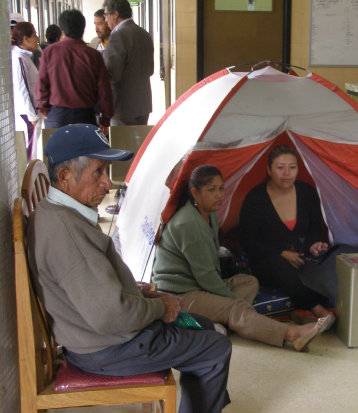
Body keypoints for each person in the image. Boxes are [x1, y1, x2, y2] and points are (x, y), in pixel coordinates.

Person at [27, 124, 231, 413]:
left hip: (99, 338)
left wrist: (143, 296)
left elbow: (95, 292)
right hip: (109, 348)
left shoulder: (59, 215)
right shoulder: (66, 231)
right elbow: (112, 316)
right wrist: (160, 308)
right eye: (98, 172)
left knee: (206, 327)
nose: (107, 184)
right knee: (216, 348)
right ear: (64, 177)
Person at [152, 165, 333, 351]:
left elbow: (210, 271)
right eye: (211, 190)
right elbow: (206, 277)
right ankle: (292, 335)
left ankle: (220, 324)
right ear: (195, 193)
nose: (219, 195)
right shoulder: (188, 224)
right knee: (235, 308)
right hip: (178, 295)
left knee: (248, 282)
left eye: (221, 188)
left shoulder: (209, 213)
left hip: (197, 284)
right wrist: (233, 302)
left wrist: (227, 297)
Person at [239, 145, 336, 325]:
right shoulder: (256, 198)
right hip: (267, 258)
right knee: (282, 267)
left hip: (302, 255)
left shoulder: (307, 193)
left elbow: (315, 230)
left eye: (292, 167)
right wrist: (281, 253)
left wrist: (314, 245)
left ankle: (301, 310)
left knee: (333, 257)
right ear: (269, 170)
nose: (287, 173)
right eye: (280, 167)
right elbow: (248, 241)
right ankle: (317, 308)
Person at [36, 9, 113, 134]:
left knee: (58, 153)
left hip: (57, 117)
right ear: (83, 29)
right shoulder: (93, 55)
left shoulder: (49, 52)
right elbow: (104, 90)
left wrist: (45, 110)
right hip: (85, 117)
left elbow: (41, 86)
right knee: (86, 152)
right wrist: (105, 119)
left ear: (62, 31)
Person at [103, 0, 154, 125]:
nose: (105, 20)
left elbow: (113, 74)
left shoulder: (117, 35)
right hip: (143, 104)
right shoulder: (144, 34)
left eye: (106, 15)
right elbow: (150, 69)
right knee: (139, 143)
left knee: (122, 143)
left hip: (123, 106)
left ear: (115, 14)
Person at [11, 21, 42, 160]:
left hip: (31, 113)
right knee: (30, 154)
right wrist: (33, 115)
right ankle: (28, 181)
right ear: (25, 39)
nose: (37, 39)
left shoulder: (25, 57)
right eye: (34, 35)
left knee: (33, 151)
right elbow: (22, 89)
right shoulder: (19, 58)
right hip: (28, 115)